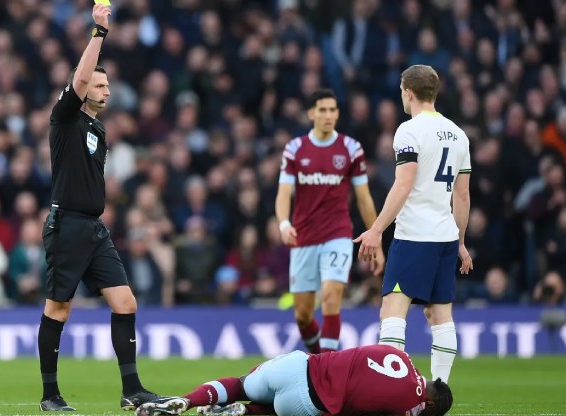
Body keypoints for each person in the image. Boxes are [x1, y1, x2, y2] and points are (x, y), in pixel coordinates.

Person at [36, 4, 160, 412]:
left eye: (107, 87)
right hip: (67, 225)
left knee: (126, 302)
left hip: (94, 228)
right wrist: (99, 31)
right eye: (100, 86)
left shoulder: (97, 127)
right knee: (59, 307)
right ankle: (50, 396)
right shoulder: (65, 118)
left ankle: (132, 390)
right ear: (82, 88)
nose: (106, 91)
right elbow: (82, 76)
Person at [354, 65, 473, 383]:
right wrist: (461, 242)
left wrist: (377, 229)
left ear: (408, 92)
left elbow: (403, 185)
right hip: (446, 238)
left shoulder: (409, 130)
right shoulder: (459, 135)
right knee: (441, 316)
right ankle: (441, 390)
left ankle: (392, 389)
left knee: (392, 313)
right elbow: (462, 196)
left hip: (414, 237)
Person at [275, 89, 384, 353]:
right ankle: (317, 359)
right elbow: (283, 194)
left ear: (337, 113)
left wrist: (376, 237)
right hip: (303, 238)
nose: (328, 115)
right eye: (322, 110)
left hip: (337, 235)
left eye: (332, 110)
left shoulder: (350, 148)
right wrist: (284, 224)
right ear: (311, 113)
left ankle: (328, 371)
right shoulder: (295, 149)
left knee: (332, 297)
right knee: (302, 315)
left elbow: (364, 199)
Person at [136, 344, 452, 416]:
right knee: (273, 412)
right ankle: (241, 413)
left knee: (241, 382)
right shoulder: (410, 405)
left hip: (296, 364)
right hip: (307, 402)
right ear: (430, 402)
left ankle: (190, 400)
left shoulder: (399, 353)